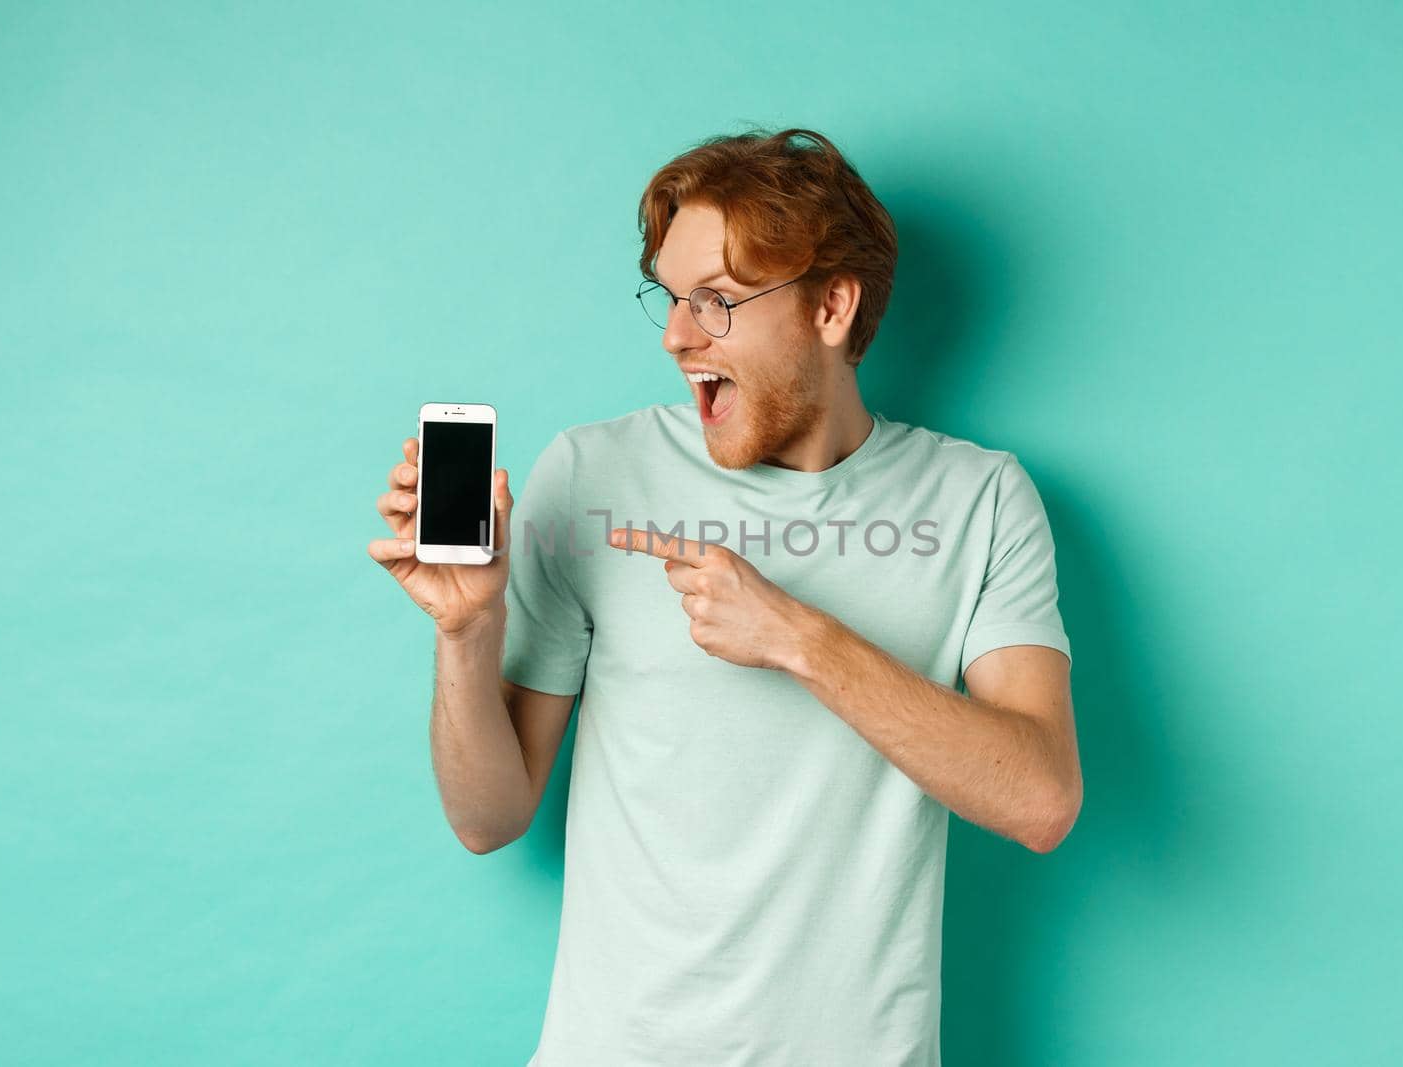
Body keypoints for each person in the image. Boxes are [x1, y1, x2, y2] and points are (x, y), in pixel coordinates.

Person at [369, 127, 1081, 1066]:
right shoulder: (594, 471)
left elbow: (1040, 799)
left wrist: (799, 638)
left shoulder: (980, 498)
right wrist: (467, 631)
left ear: (832, 306)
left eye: (717, 300)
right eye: (669, 297)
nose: (676, 335)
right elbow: (486, 818)